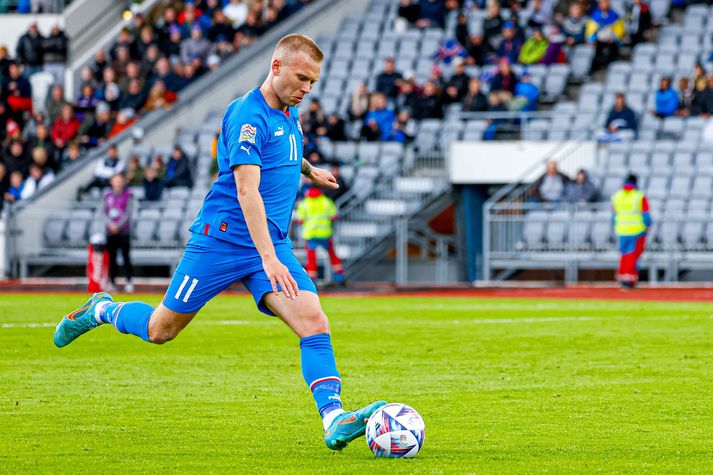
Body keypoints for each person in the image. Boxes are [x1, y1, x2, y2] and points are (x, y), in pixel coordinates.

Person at [53, 34, 387, 451]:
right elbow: (248, 193)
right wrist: (269, 259)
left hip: (270, 243)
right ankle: (101, 309)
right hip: (222, 242)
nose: (307, 89)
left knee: (314, 322)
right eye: (302, 78)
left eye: (313, 83)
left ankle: (334, 418)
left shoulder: (289, 112)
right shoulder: (247, 116)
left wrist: (308, 169)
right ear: (277, 66)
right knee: (161, 330)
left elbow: (280, 153)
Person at [295, 187, 346, 285]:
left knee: (311, 259)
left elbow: (299, 220)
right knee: (333, 256)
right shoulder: (327, 201)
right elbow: (334, 217)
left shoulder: (304, 203)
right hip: (325, 234)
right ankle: (340, 278)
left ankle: (312, 282)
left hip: (311, 235)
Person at [611, 174, 651, 288]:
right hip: (637, 230)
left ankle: (622, 276)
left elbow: (613, 215)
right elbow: (646, 215)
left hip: (622, 230)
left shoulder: (617, 196)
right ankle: (630, 278)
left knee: (624, 254)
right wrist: (647, 225)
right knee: (633, 255)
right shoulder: (639, 196)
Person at [104, 173, 135, 293]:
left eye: (120, 181)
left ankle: (129, 281)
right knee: (112, 258)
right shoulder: (107, 195)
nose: (118, 183)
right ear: (112, 182)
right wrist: (110, 224)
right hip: (110, 232)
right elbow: (103, 212)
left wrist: (118, 225)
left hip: (124, 231)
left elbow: (128, 212)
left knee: (126, 257)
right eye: (116, 181)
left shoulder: (128, 195)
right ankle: (112, 282)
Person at [586, 0, 625, 71]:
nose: (605, 4)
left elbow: (620, 30)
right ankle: (594, 70)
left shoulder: (615, 16)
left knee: (612, 51)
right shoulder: (595, 16)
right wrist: (592, 39)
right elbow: (590, 30)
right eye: (603, 3)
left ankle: (610, 68)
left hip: (610, 41)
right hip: (598, 41)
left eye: (606, 2)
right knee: (594, 53)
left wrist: (614, 38)